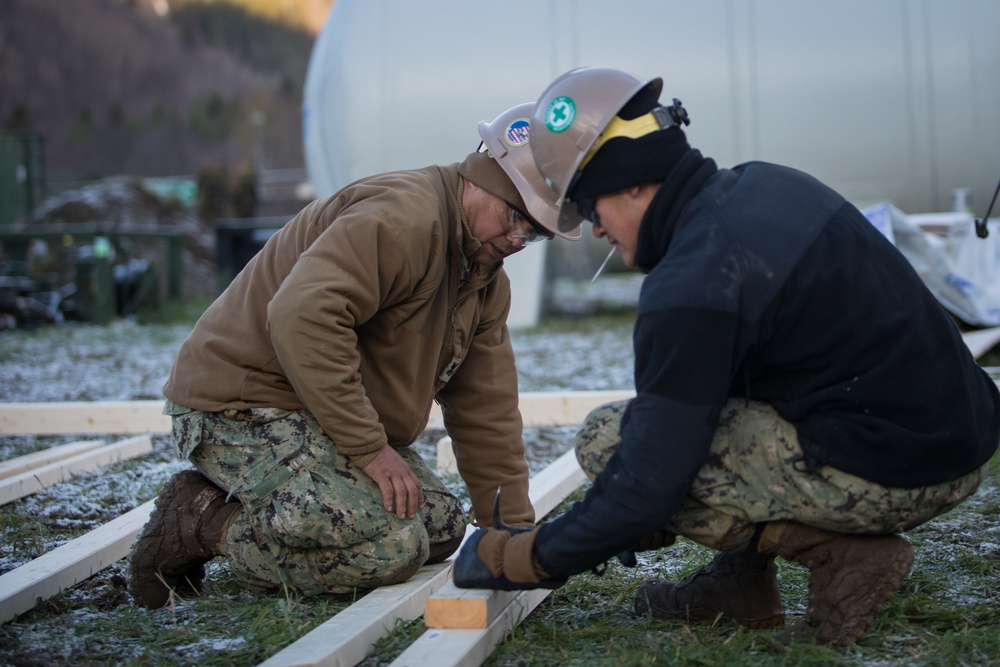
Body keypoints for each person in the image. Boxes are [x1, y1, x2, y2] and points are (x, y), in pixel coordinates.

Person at [454, 67, 1000, 648]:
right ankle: (742, 586)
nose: (593, 230)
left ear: (632, 182)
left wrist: (524, 557)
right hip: (960, 434)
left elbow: (648, 483)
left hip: (901, 468)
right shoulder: (765, 187)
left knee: (608, 441)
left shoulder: (693, 280)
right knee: (673, 427)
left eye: (590, 207)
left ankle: (844, 556)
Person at [127, 103, 580, 609]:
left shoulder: (482, 277)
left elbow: (486, 407)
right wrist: (370, 449)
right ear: (482, 178)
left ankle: (250, 505)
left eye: (536, 232)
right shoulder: (404, 220)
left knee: (443, 527)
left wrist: (510, 530)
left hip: (315, 410)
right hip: (241, 404)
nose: (519, 240)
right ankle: (201, 522)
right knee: (390, 550)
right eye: (517, 217)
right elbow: (302, 315)